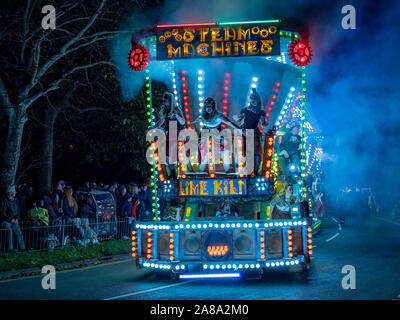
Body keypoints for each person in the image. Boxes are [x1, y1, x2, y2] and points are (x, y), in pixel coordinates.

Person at [193, 97, 240, 173]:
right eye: (207, 106)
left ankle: (227, 171)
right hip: (206, 136)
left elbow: (230, 123)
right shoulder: (203, 116)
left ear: (213, 107)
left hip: (218, 136)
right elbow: (197, 120)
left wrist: (239, 129)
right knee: (204, 155)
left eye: (210, 106)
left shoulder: (218, 116)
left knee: (224, 153)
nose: (208, 108)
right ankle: (200, 172)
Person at [237, 88, 268, 174]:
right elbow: (239, 119)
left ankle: (255, 170)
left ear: (257, 100)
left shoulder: (261, 112)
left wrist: (267, 124)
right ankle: (246, 169)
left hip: (254, 132)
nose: (253, 100)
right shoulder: (245, 110)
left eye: (254, 99)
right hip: (245, 131)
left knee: (255, 152)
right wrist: (237, 118)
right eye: (251, 98)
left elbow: (263, 123)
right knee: (244, 151)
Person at [154, 92, 186, 176]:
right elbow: (161, 121)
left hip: (179, 132)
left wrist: (177, 115)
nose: (164, 100)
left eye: (166, 99)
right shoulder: (165, 110)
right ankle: (172, 173)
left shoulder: (176, 109)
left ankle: (183, 172)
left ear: (170, 100)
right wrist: (152, 128)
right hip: (170, 132)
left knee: (179, 154)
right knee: (166, 154)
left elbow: (183, 122)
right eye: (164, 99)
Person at [0, 186, 26, 252]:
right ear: (10, 192)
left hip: (14, 220)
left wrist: (17, 218)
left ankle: (23, 248)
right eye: (14, 191)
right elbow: (2, 213)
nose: (15, 192)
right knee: (9, 231)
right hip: (6, 221)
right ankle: (10, 249)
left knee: (18, 232)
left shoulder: (16, 200)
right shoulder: (4, 201)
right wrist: (10, 220)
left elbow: (18, 211)